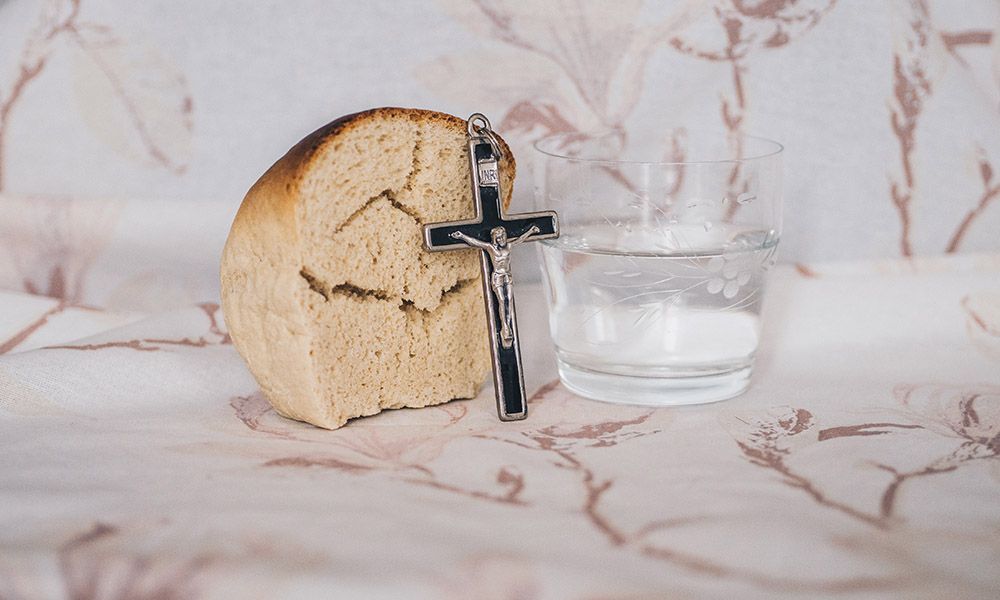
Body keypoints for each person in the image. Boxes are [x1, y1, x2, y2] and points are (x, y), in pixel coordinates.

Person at [450, 224, 540, 347]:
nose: (502, 239)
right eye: (499, 238)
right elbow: (476, 243)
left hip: (507, 276)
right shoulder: (491, 248)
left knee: (509, 300)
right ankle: (505, 327)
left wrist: (531, 231)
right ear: (494, 239)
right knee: (502, 301)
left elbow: (520, 239)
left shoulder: (508, 245)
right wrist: (462, 236)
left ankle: (508, 325)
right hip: (497, 277)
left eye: (503, 236)